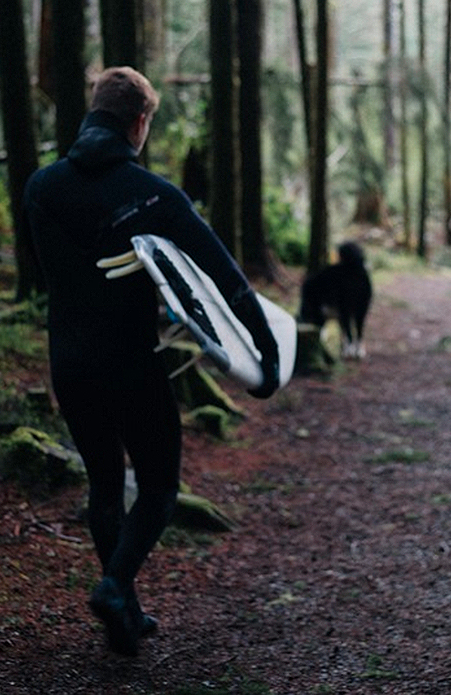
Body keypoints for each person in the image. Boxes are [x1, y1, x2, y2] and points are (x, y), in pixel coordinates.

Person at [24, 66, 279, 656]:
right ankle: (114, 586)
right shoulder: (156, 196)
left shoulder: (40, 188)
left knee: (105, 484)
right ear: (139, 123)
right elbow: (227, 280)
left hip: (69, 362)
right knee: (160, 487)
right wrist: (265, 354)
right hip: (130, 364)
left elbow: (47, 274)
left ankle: (124, 614)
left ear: (94, 111)